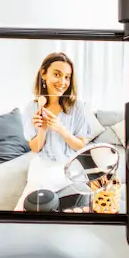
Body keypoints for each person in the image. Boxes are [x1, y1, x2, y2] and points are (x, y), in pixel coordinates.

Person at [14, 52, 96, 211]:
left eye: (67, 77)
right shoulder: (33, 108)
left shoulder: (77, 107)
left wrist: (60, 128)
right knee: (23, 213)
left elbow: (80, 146)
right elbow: (35, 148)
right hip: (42, 170)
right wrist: (42, 129)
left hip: (70, 168)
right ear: (43, 74)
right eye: (57, 74)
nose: (62, 82)